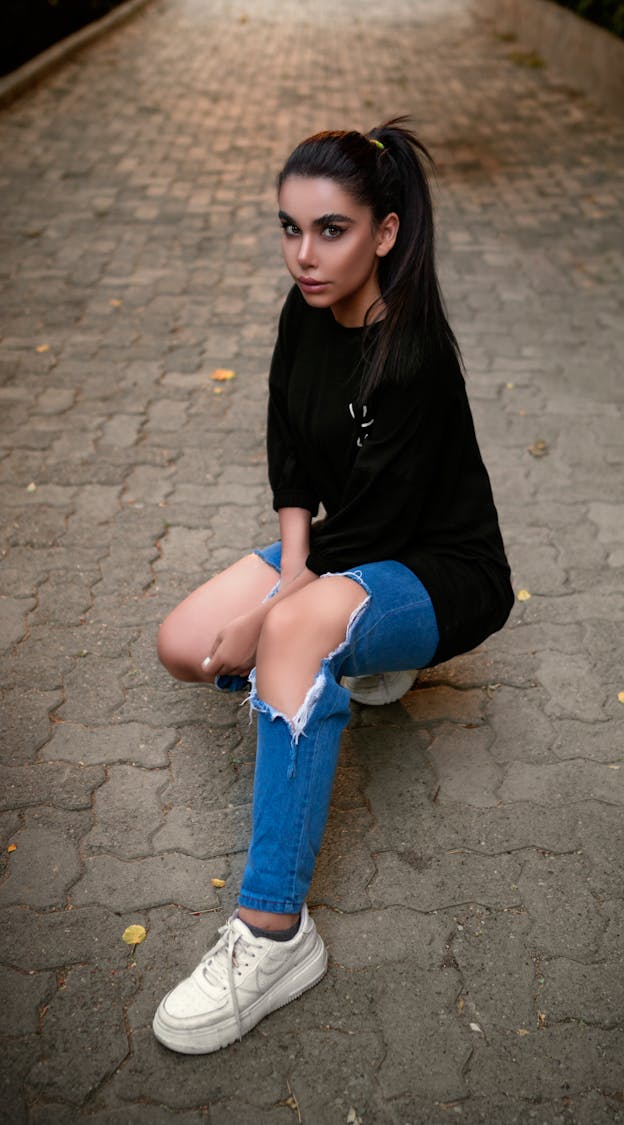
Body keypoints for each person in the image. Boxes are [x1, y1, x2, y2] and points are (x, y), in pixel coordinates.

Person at [152, 119, 514, 1054]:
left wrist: (281, 616)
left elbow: (383, 522)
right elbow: (289, 453)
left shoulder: (415, 353)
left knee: (288, 636)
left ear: (384, 233)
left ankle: (275, 933)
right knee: (185, 643)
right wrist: (291, 572)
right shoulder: (302, 311)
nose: (303, 255)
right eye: (288, 228)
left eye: (330, 231)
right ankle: (329, 658)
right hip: (347, 549)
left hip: (438, 567)